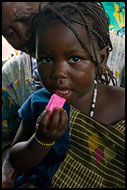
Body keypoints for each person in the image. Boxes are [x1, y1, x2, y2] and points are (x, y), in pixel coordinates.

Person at [9, 2, 125, 188]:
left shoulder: (121, 103)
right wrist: (42, 140)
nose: (58, 72)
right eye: (47, 59)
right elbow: (16, 161)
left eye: (75, 59)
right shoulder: (39, 103)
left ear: (101, 59)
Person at [2, 2, 45, 188]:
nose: (24, 36)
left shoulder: (120, 57)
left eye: (27, 19)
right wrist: (7, 162)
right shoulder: (12, 76)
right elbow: (6, 139)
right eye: (9, 32)